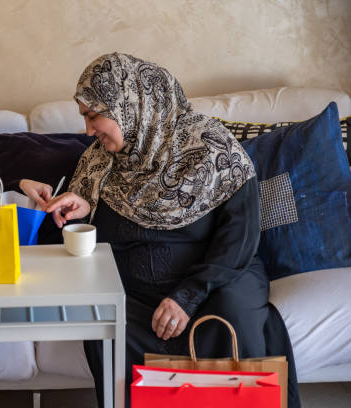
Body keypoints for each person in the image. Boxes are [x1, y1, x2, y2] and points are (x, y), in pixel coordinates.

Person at [37, 53, 300, 408]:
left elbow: (241, 235)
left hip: (213, 279)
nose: (87, 130)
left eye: (93, 115)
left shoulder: (212, 148)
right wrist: (85, 211)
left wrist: (186, 297)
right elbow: (78, 243)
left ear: (131, 105)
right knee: (105, 326)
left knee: (230, 317)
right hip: (135, 293)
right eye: (83, 116)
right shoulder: (99, 160)